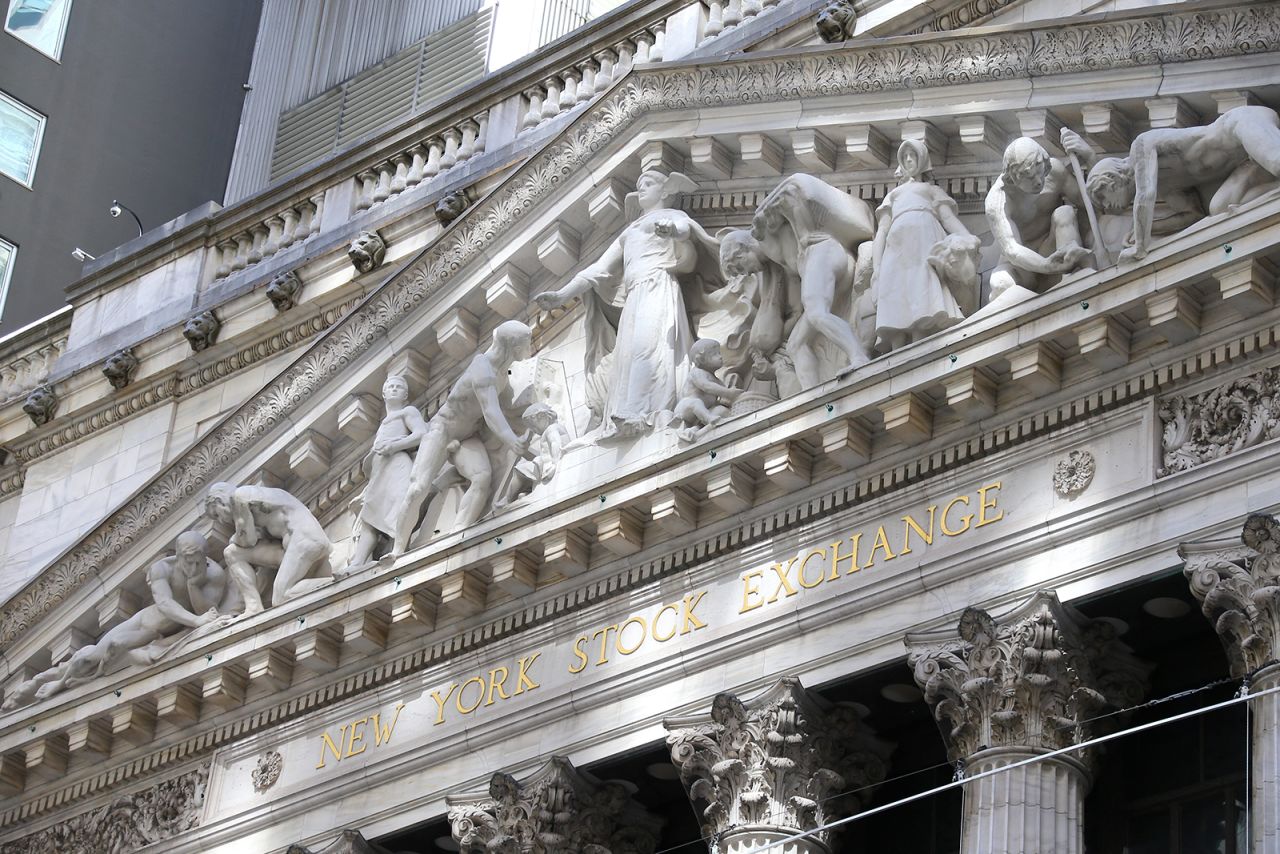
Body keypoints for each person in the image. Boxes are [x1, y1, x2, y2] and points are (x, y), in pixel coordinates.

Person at [534, 171, 730, 442]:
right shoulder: (630, 233)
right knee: (628, 354)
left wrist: (672, 231)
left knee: (648, 348)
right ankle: (627, 412)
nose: (642, 191)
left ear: (664, 191)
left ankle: (645, 411)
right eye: (639, 187)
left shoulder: (670, 216)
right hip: (635, 295)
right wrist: (562, 295)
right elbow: (598, 270)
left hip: (656, 286)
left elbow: (685, 230)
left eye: (648, 184)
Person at [1, 533, 241, 708]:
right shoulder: (162, 569)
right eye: (189, 560)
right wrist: (197, 621)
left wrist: (193, 585)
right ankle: (60, 683)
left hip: (165, 634)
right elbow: (166, 605)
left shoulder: (214, 574)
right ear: (178, 556)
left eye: (199, 559)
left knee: (116, 651)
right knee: (89, 657)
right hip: (144, 625)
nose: (195, 565)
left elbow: (206, 610)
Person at [391, 321, 533, 553]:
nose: (529, 348)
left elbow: (507, 408)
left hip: (467, 436)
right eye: (526, 344)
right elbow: (491, 413)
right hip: (442, 430)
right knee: (418, 488)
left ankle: (458, 533)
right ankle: (397, 550)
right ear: (513, 346)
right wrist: (512, 440)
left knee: (482, 477)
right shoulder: (483, 369)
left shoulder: (501, 375)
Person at [1084, 105, 1280, 262]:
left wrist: (1140, 246)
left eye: (1103, 198)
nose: (1107, 208)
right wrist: (1149, 227)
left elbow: (1146, 194)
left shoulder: (1141, 147)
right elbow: (1193, 215)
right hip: (1246, 162)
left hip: (1241, 124)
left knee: (1276, 162)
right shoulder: (1166, 187)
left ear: (1112, 179)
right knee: (1219, 209)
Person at [751, 173, 875, 387]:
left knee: (818, 313)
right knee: (795, 344)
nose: (744, 272)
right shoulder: (776, 260)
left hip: (821, 256)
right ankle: (812, 395)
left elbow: (792, 194)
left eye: (737, 265)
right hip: (826, 261)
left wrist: (801, 229)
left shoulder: (765, 236)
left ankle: (858, 356)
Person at [871, 139, 977, 351]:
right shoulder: (893, 195)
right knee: (896, 291)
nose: (909, 159)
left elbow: (947, 218)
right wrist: (876, 268)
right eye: (905, 156)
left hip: (923, 240)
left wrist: (967, 237)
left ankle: (920, 340)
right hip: (897, 247)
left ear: (922, 160)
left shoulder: (930, 190)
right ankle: (897, 348)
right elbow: (881, 231)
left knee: (921, 288)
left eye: (913, 155)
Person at [984, 131, 1096, 306]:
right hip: (1022, 265)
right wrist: (1046, 265)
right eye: (1029, 178)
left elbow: (1092, 203)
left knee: (1064, 212)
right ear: (1013, 179)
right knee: (1001, 284)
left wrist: (1090, 156)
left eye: (1040, 172)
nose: (1038, 181)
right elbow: (1012, 249)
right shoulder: (998, 201)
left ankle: (1073, 280)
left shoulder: (1055, 171)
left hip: (1052, 247)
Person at [204, 482, 334, 616]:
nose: (221, 521)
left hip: (304, 541)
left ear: (219, 501)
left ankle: (335, 582)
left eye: (217, 514)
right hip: (297, 545)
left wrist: (234, 539)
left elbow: (247, 539)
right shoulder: (258, 500)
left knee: (281, 597)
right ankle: (253, 607)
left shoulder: (239, 496)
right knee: (232, 553)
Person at [347, 375, 427, 568]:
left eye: (398, 387)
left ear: (406, 394)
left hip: (397, 464)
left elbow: (422, 433)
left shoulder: (407, 411)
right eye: (390, 386)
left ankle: (398, 548)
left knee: (399, 506)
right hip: (380, 470)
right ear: (383, 394)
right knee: (370, 515)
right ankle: (358, 562)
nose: (393, 389)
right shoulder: (385, 422)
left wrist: (395, 446)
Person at [494, 403, 570, 509]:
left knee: (520, 470)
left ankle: (508, 499)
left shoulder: (551, 429)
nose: (534, 430)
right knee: (527, 468)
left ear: (542, 417)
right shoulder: (555, 428)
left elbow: (555, 443)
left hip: (547, 464)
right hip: (543, 464)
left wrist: (554, 463)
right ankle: (524, 493)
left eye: (533, 426)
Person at [673, 339, 742, 441]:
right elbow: (707, 386)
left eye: (719, 353)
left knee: (721, 410)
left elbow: (723, 396)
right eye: (715, 354)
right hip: (685, 409)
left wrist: (731, 396)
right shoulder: (697, 372)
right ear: (701, 359)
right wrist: (728, 393)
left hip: (701, 414)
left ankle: (696, 430)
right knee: (696, 402)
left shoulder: (717, 381)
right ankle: (709, 419)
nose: (720, 357)